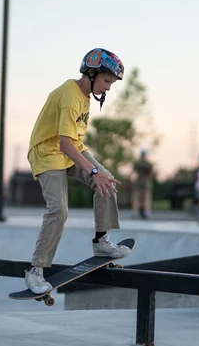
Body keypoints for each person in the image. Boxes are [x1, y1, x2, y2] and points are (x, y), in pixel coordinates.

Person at [25, 48, 130, 294]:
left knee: (107, 182)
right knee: (59, 209)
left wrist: (98, 174)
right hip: (48, 152)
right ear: (91, 73)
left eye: (112, 83)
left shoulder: (85, 94)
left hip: (72, 149)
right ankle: (36, 270)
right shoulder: (71, 95)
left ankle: (101, 242)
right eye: (106, 81)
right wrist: (93, 172)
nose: (108, 88)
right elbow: (63, 143)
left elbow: (73, 142)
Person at [131, 148, 154, 219]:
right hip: (139, 182)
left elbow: (150, 172)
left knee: (146, 197)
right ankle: (136, 211)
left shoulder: (147, 163)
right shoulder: (141, 163)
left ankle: (146, 211)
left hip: (145, 182)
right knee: (137, 197)